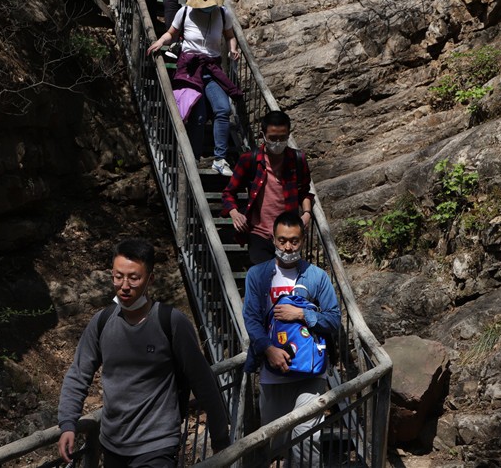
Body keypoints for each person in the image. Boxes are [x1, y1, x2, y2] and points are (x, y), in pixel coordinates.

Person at [58, 239, 231, 467]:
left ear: (150, 279)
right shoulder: (102, 322)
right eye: (118, 276)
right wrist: (67, 423)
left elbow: (202, 381)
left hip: (157, 445)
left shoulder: (171, 322)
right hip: (112, 444)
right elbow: (79, 374)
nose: (124, 285)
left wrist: (220, 437)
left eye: (134, 278)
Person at [242, 212, 340, 467]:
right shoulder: (257, 275)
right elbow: (251, 318)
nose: (288, 247)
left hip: (310, 373)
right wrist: (268, 349)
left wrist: (302, 314)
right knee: (274, 442)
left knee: (307, 438)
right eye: (282, 240)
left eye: (294, 241)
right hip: (272, 372)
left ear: (303, 241)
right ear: (273, 239)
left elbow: (334, 320)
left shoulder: (317, 276)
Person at [147, 0, 242, 176]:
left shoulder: (223, 13)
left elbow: (230, 36)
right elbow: (172, 33)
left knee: (223, 109)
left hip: (212, 69)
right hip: (190, 69)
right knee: (197, 116)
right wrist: (160, 42)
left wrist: (233, 49)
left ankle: (220, 159)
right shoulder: (185, 12)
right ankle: (194, 157)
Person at [221, 110, 315, 264]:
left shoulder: (297, 159)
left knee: (287, 277)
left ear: (288, 134)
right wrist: (235, 213)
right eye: (273, 138)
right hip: (259, 234)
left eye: (282, 138)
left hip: (288, 236)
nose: (278, 142)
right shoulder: (249, 160)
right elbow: (228, 193)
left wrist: (306, 214)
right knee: (263, 276)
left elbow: (304, 191)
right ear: (263, 135)